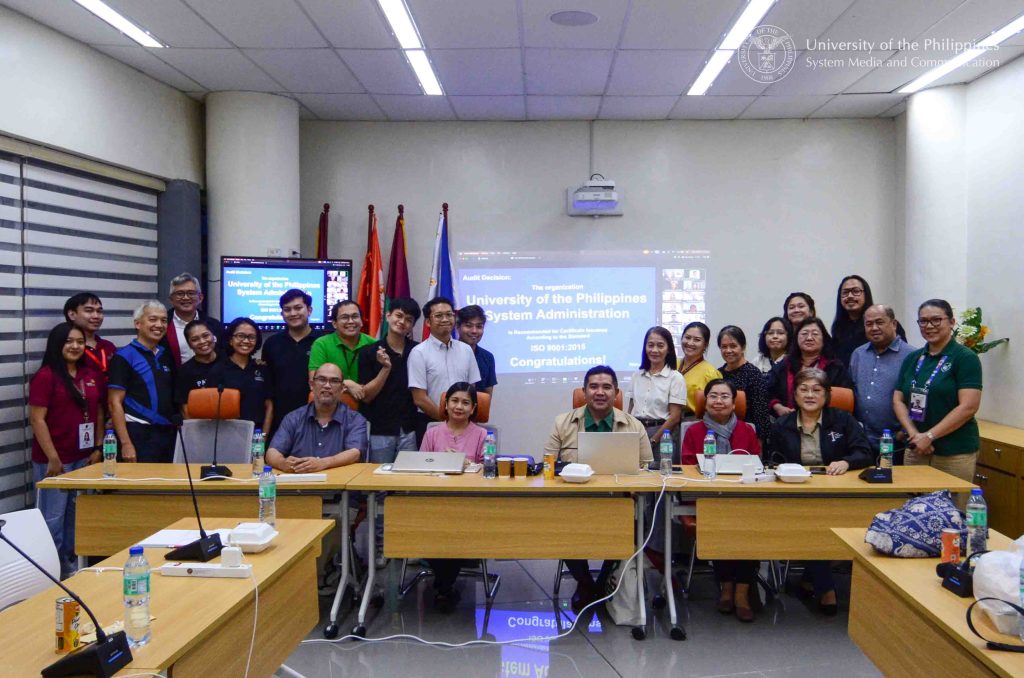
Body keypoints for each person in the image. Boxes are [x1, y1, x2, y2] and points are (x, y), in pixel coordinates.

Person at [544, 365, 652, 611]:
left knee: (630, 524)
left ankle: (602, 582)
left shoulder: (634, 426)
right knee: (564, 526)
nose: (600, 392)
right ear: (584, 392)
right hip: (574, 501)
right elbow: (548, 466)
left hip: (620, 502)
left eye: (606, 387)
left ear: (616, 393)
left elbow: (648, 469)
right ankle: (585, 584)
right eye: (593, 387)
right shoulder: (562, 423)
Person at [769, 368, 872, 615]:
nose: (810, 395)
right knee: (811, 524)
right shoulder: (782, 424)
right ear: (794, 395)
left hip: (836, 495)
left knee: (820, 523)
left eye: (817, 390)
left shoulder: (843, 420)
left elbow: (865, 453)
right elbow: (770, 460)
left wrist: (847, 462)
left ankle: (810, 578)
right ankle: (826, 588)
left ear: (827, 394)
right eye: (804, 389)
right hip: (795, 496)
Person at [29, 323, 106, 578]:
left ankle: (72, 571)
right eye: (69, 341)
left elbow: (97, 411)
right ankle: (48, 577)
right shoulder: (46, 376)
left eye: (80, 342)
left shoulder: (90, 373)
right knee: (52, 523)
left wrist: (97, 447)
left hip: (83, 460)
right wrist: (52, 457)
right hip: (54, 462)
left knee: (76, 521)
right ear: (57, 345)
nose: (75, 346)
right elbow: (37, 419)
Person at [680, 379, 761, 622]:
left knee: (751, 526)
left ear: (734, 404)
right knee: (719, 522)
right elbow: (686, 467)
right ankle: (726, 586)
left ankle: (743, 590)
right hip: (706, 498)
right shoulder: (693, 431)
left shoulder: (747, 430)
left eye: (725, 396)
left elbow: (756, 465)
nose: (718, 401)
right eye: (713, 396)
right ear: (705, 403)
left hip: (743, 499)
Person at [894, 299, 982, 501]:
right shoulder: (914, 358)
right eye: (923, 321)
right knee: (915, 513)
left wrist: (930, 436)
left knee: (951, 515)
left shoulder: (965, 357)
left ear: (951, 322)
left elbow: (969, 406)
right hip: (916, 448)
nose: (929, 326)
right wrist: (915, 434)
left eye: (936, 320)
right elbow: (898, 399)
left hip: (953, 452)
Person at [418, 382, 488, 612]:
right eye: (454, 401)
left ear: (473, 408)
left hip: (468, 502)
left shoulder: (482, 434)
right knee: (437, 525)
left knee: (456, 526)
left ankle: (443, 586)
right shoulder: (432, 433)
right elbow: (419, 468)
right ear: (446, 405)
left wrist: (467, 463)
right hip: (434, 501)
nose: (459, 406)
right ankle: (445, 585)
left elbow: (490, 469)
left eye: (465, 402)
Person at [107, 301, 175, 463]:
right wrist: (126, 443)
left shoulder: (165, 354)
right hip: (138, 434)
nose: (159, 325)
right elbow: (114, 402)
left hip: (167, 433)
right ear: (138, 324)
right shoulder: (124, 356)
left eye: (164, 320)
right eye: (153, 319)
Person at [266, 363, 366, 473]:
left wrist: (323, 463)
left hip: (338, 486)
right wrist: (283, 464)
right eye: (322, 379)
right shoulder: (293, 418)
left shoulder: (355, 419)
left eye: (334, 381)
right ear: (311, 385)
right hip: (298, 484)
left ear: (342, 388)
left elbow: (355, 453)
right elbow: (272, 452)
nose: (327, 385)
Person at [849, 305, 918, 463]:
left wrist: (904, 431)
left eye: (879, 322)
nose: (874, 328)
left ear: (893, 324)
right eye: (868, 324)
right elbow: (852, 391)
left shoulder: (912, 356)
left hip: (896, 441)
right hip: (862, 441)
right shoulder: (858, 354)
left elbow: (918, 399)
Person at [407, 297, 480, 445]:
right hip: (430, 423)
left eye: (449, 314)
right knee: (431, 467)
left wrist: (459, 419)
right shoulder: (418, 352)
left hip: (463, 425)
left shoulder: (466, 350)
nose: (445, 319)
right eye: (439, 316)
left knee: (465, 465)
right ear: (428, 322)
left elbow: (472, 390)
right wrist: (447, 422)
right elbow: (419, 398)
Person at [358, 297, 421, 463]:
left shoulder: (419, 351)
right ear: (388, 316)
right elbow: (366, 396)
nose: (402, 322)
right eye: (398, 316)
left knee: (408, 482)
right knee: (378, 483)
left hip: (410, 428)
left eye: (409, 320)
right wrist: (385, 368)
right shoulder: (369, 352)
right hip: (380, 429)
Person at [261, 289, 321, 435]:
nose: (293, 313)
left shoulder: (322, 342)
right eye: (287, 310)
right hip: (280, 419)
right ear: (282, 314)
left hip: (316, 416)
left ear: (309, 310)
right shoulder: (272, 343)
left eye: (298, 308)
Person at [768, 317, 852, 417]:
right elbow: (769, 392)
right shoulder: (784, 365)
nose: (809, 338)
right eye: (804, 334)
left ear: (824, 339)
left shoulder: (835, 367)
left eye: (815, 334)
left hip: (827, 424)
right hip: (788, 424)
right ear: (796, 338)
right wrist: (778, 407)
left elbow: (844, 399)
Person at [628, 326, 684, 463]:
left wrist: (653, 441)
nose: (654, 350)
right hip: (637, 432)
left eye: (660, 345)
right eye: (650, 345)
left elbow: (675, 418)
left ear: (669, 349)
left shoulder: (675, 377)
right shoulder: (637, 375)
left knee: (662, 478)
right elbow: (629, 410)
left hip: (663, 434)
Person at [207, 317, 272, 433]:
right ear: (231, 340)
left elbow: (269, 406)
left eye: (251, 337)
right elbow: (211, 409)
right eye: (240, 336)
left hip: (257, 433)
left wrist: (263, 437)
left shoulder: (262, 369)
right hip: (227, 433)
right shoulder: (218, 370)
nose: (246, 341)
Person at [831, 275, 907, 365]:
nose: (850, 296)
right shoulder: (838, 328)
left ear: (866, 294)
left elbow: (902, 354)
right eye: (845, 292)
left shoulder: (887, 324)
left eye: (855, 291)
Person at [308, 300, 376, 400]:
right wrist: (346, 383)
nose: (351, 321)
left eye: (355, 316)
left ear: (361, 321)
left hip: (367, 400)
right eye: (345, 317)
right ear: (334, 323)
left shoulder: (373, 344)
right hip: (331, 403)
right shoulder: (321, 344)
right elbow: (314, 381)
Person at [717, 326, 772, 440]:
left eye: (733, 346)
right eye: (724, 347)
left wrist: (759, 442)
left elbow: (761, 414)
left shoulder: (753, 374)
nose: (728, 351)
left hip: (747, 435)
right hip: (721, 434)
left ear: (743, 347)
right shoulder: (718, 374)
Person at [161, 273, 223, 367]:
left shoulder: (214, 325)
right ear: (171, 299)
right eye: (180, 294)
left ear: (200, 298)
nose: (186, 298)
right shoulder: (162, 326)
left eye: (191, 293)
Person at [63, 292, 116, 378]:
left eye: (99, 311)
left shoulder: (108, 346)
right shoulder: (68, 348)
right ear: (72, 314)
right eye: (89, 311)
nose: (96, 316)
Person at [173, 319, 219, 418]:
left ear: (213, 336)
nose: (202, 342)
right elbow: (185, 410)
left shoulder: (228, 362)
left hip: (232, 426)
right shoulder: (185, 372)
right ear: (189, 345)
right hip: (200, 427)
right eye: (195, 339)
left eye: (206, 336)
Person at [678, 322, 722, 417]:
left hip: (693, 420)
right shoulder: (672, 364)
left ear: (705, 345)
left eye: (697, 340)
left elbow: (716, 406)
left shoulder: (710, 373)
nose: (690, 343)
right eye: (687, 337)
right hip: (667, 420)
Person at [457, 305, 497, 396]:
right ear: (458, 327)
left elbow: (487, 396)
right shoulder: (448, 352)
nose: (474, 331)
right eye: (468, 326)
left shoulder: (487, 357)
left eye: (479, 326)